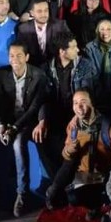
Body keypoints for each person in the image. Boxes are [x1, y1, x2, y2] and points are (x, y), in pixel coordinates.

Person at [0, 42, 48, 217]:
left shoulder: (38, 76)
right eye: (11, 56)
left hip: (26, 121)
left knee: (18, 144)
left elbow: (34, 108)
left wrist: (14, 128)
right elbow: (0, 104)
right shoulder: (3, 75)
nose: (15, 60)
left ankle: (22, 194)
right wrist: (2, 125)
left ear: (27, 57)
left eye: (19, 55)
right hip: (7, 120)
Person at [45, 90, 111, 216]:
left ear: (92, 104)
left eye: (83, 102)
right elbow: (66, 155)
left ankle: (99, 203)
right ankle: (61, 192)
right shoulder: (74, 126)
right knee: (62, 196)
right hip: (84, 174)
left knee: (74, 197)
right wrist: (70, 149)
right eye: (75, 103)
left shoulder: (107, 127)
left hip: (104, 175)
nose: (79, 107)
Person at [42, 31, 96, 172]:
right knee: (45, 140)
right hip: (56, 114)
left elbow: (86, 95)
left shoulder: (84, 65)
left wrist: (77, 116)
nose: (78, 50)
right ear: (62, 51)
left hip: (77, 113)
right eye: (73, 47)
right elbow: (44, 98)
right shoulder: (47, 68)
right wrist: (43, 119)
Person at [84, 19, 111, 112]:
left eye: (109, 29)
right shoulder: (90, 48)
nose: (105, 32)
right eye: (102, 29)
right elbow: (92, 73)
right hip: (96, 91)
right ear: (97, 31)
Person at [16, 0, 70, 68]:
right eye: (39, 11)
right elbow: (21, 52)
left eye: (46, 10)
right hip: (33, 68)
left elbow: (70, 45)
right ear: (32, 13)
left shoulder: (60, 26)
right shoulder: (23, 29)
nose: (43, 14)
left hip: (56, 67)